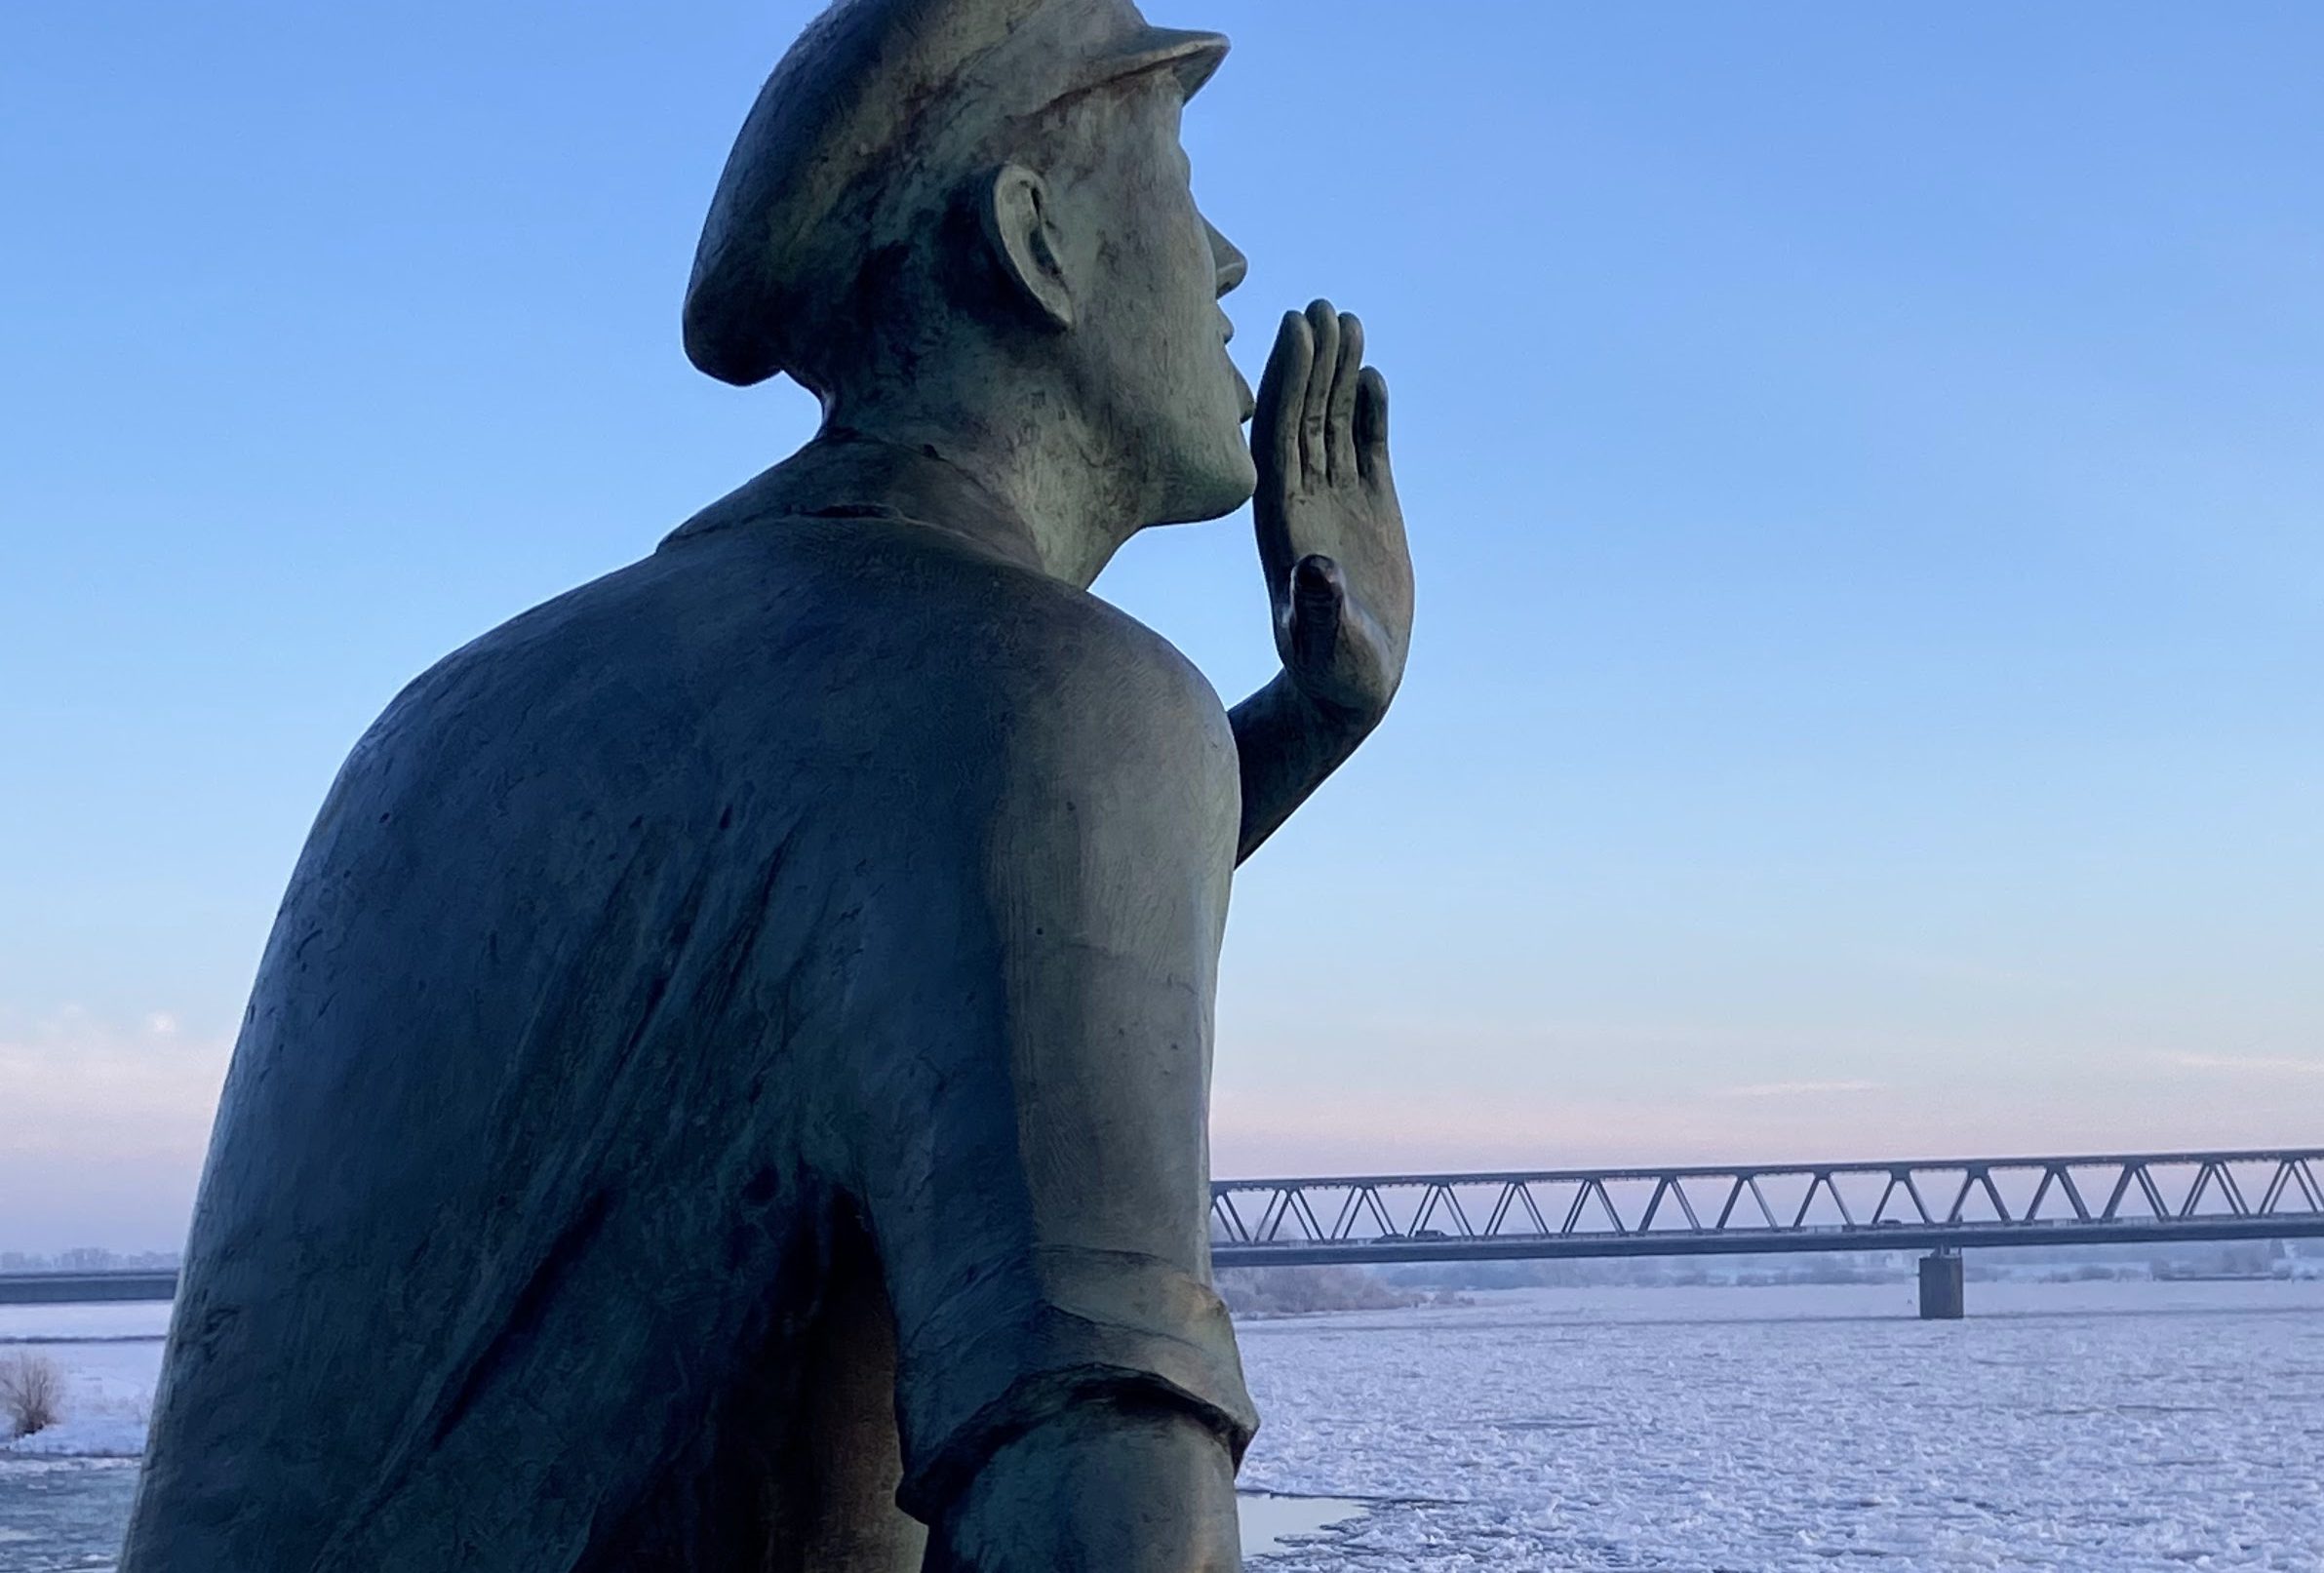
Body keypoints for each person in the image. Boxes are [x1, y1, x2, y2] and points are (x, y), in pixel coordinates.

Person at [120, 0, 1411, 1567]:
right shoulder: (1046, 696)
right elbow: (1100, 1502)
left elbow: (875, 947)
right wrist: (1180, 740)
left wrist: (1305, 721)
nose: (1226, 261)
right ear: (1036, 240)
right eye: (1178, 176)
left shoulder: (445, 723)